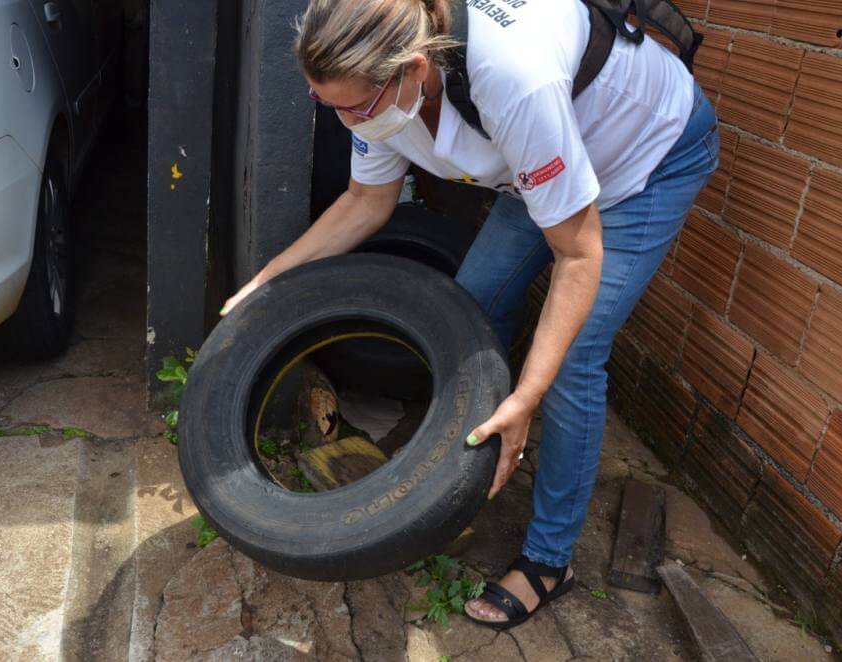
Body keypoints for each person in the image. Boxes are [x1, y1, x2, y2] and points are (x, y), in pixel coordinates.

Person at [220, 0, 719, 629]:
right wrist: (265, 282)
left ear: (416, 69)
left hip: (644, 158)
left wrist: (526, 396)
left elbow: (578, 252)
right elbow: (364, 200)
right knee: (468, 307)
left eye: (358, 107)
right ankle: (454, 465)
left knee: (570, 364)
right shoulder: (380, 87)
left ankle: (549, 560)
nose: (347, 120)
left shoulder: (514, 77)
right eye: (330, 104)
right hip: (540, 160)